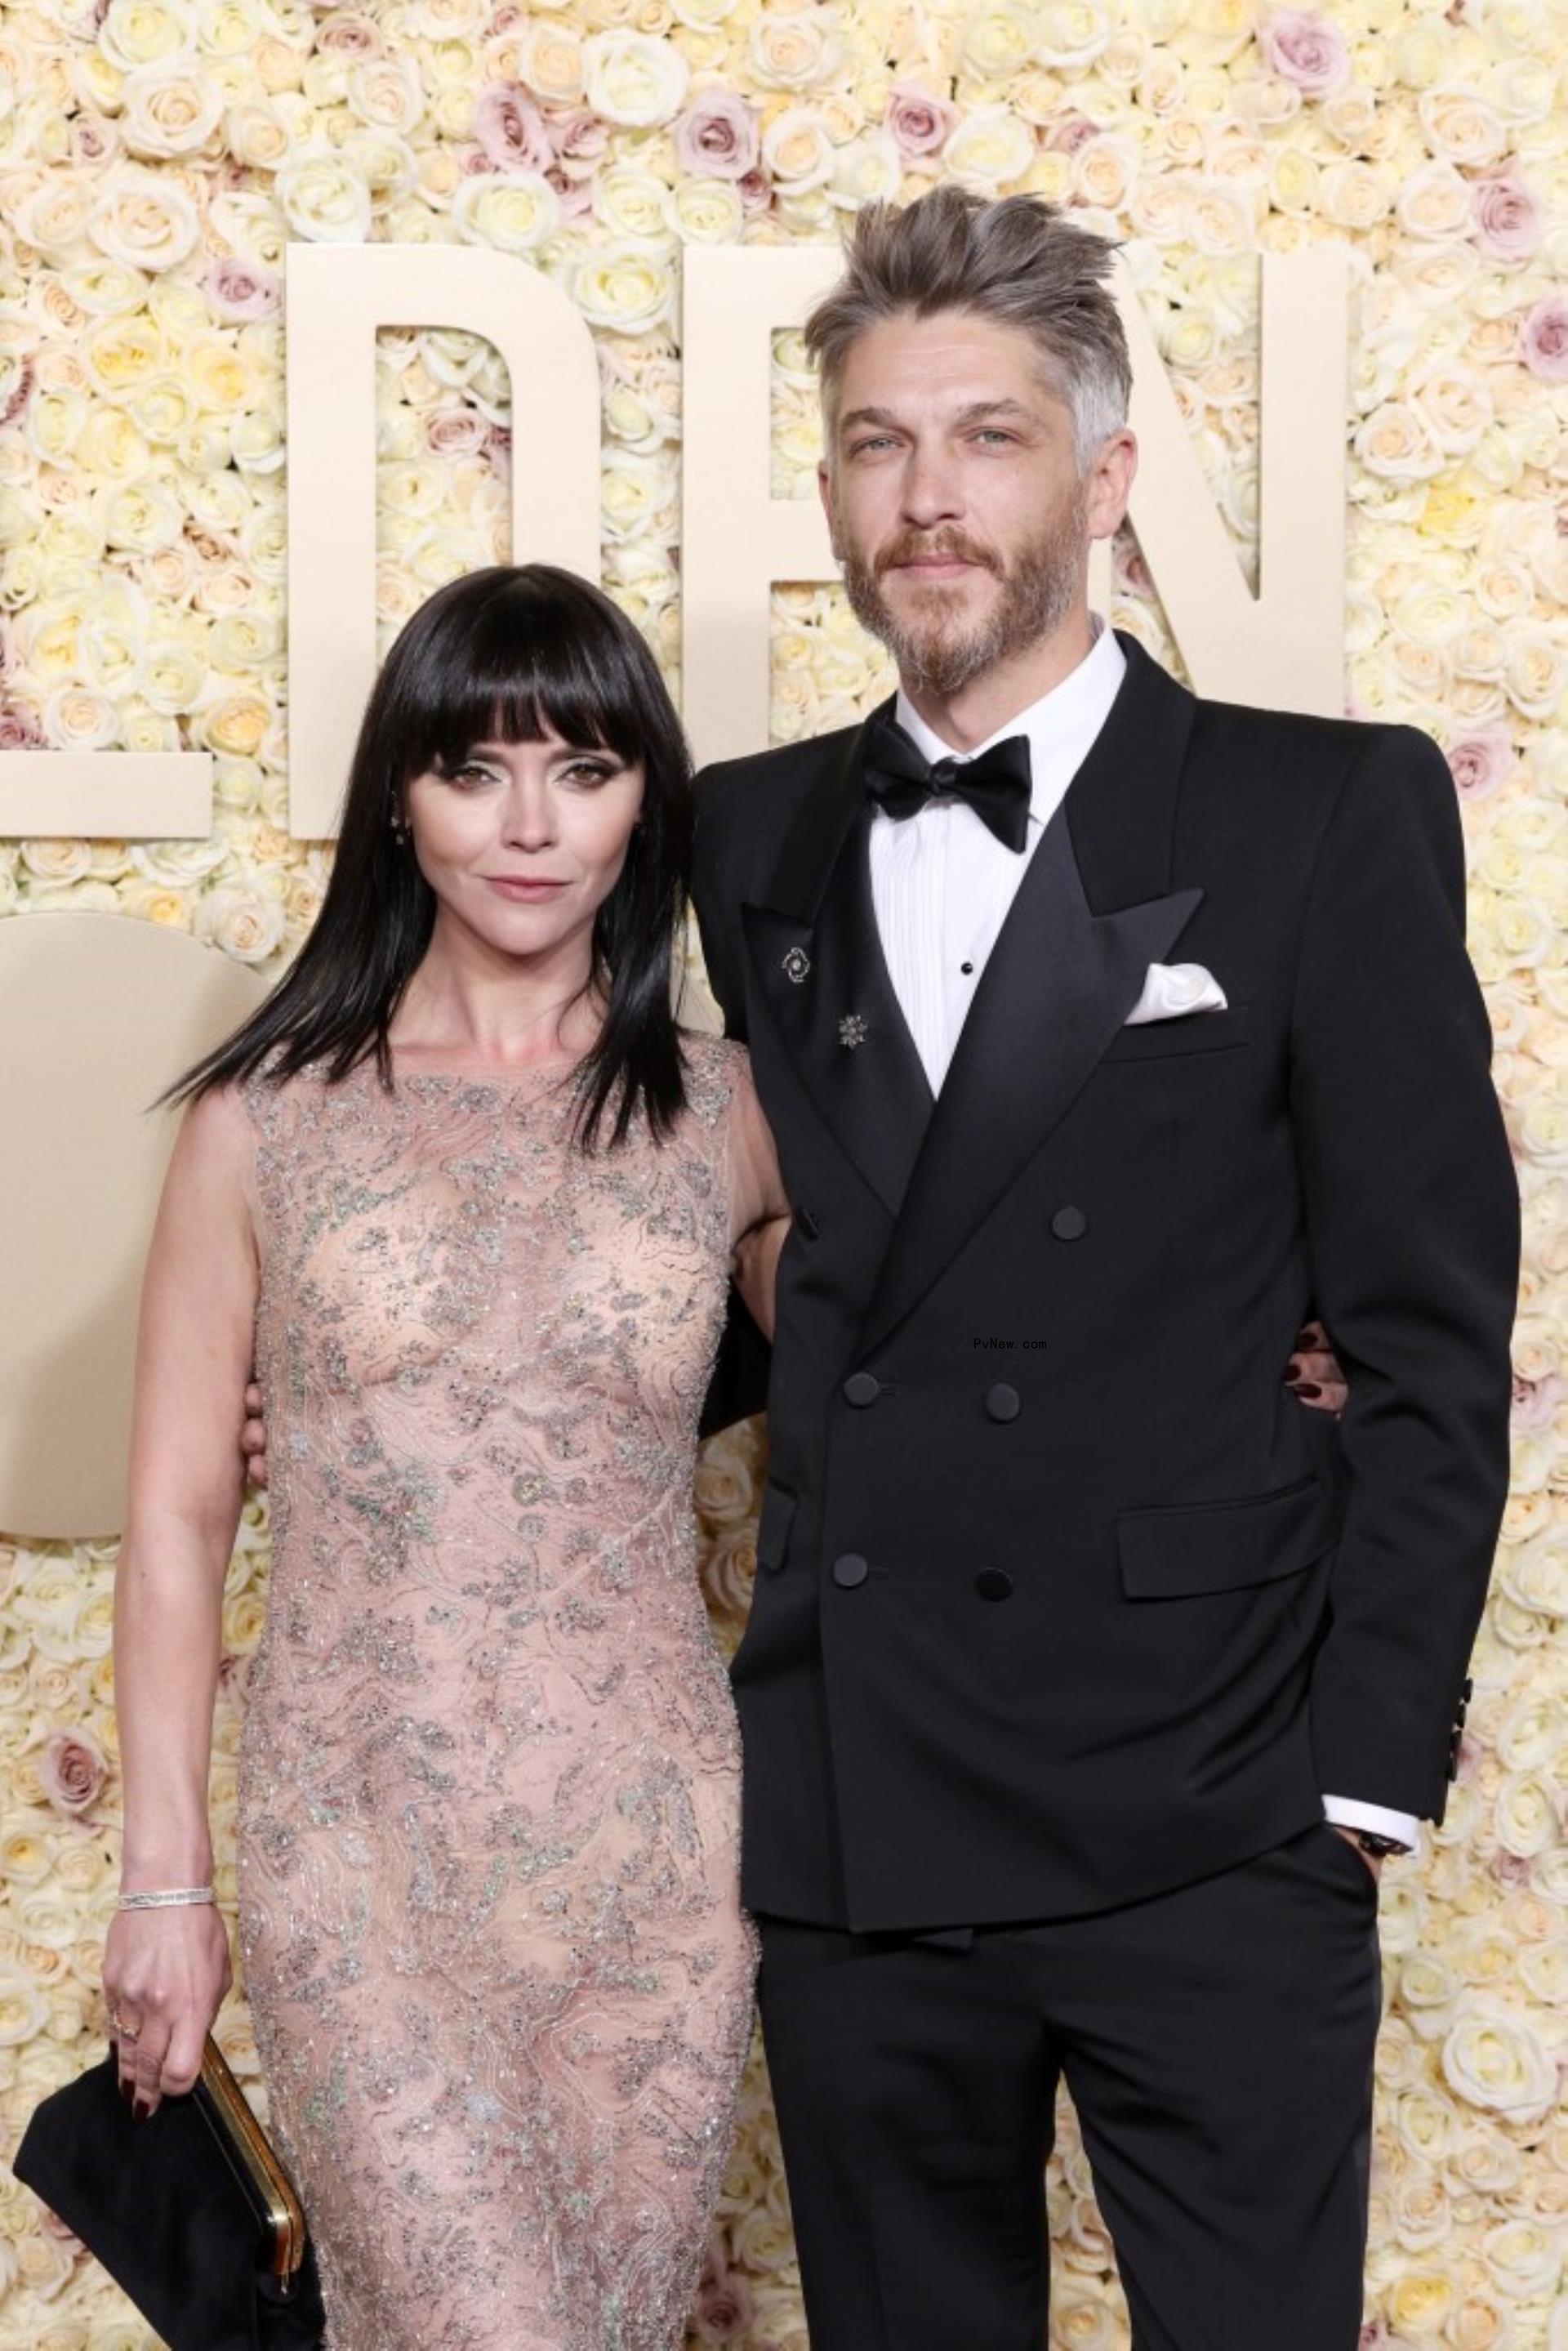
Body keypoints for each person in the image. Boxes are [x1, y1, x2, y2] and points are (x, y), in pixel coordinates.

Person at [684, 190, 1519, 2349]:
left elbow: (1430, 1331)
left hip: (1219, 1800)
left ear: (1107, 474)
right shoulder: (744, 833)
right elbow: (703, 1233)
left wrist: (1359, 1774)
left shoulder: (1318, 811)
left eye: (986, 437)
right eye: (877, 443)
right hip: (865, 1810)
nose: (928, 498)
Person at [101, 564, 790, 2351]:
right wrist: (165, 1883)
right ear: (398, 801)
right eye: (478, 768)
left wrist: (1261, 1350)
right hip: (362, 1859)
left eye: (587, 766)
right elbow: (176, 1514)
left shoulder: (729, 1110)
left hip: (656, 1859)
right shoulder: (264, 1116)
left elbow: (934, 1359)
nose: (534, 824)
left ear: (650, 801)